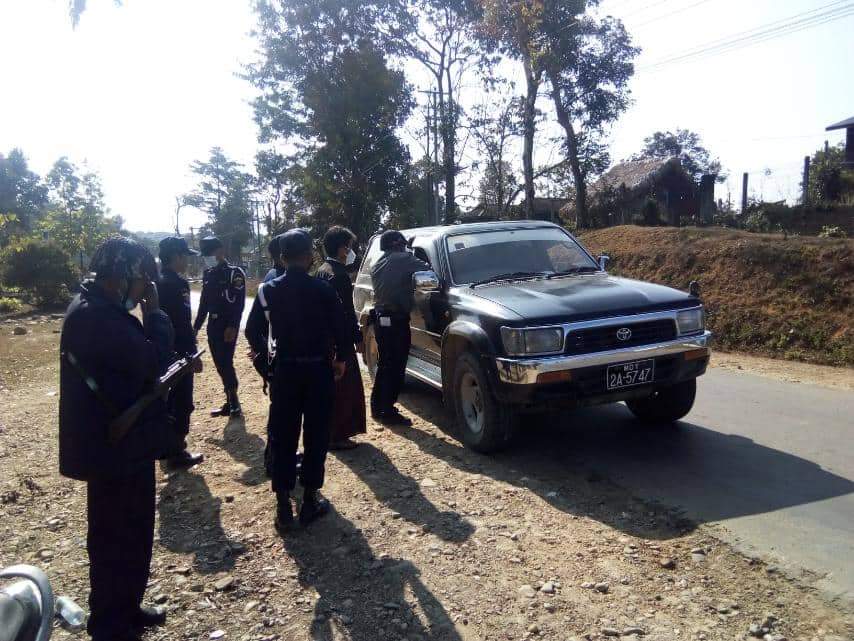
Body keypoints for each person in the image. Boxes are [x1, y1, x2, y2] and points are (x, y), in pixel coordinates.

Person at [59, 237, 183, 641]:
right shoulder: (96, 316)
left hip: (125, 444)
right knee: (115, 536)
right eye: (142, 281)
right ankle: (110, 624)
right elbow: (150, 361)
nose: (144, 290)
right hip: (112, 450)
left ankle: (126, 607)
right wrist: (156, 316)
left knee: (134, 531)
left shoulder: (100, 309)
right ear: (123, 276)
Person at [244, 229, 353, 531]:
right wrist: (340, 360)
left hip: (285, 373)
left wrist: (267, 363)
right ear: (309, 256)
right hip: (319, 372)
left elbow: (252, 331)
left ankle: (283, 507)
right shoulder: (323, 290)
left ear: (282, 257)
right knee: (316, 435)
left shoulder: (267, 290)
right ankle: (309, 501)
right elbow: (341, 330)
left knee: (283, 436)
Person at [369, 229, 430, 426]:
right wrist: (412, 253)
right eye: (403, 245)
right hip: (395, 320)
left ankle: (378, 407)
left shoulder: (378, 262)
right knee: (396, 365)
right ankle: (387, 411)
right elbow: (427, 268)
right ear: (397, 245)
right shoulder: (402, 258)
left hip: (381, 319)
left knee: (385, 364)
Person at [316, 226, 366, 450]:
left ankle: (330, 431)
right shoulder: (339, 276)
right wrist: (356, 338)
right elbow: (346, 313)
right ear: (341, 249)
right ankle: (338, 435)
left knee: (331, 388)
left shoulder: (322, 270)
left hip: (325, 339)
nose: (351, 252)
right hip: (339, 339)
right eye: (349, 247)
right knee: (344, 387)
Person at [157, 237, 205, 470]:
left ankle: (166, 447)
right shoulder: (177, 284)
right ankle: (176, 452)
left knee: (167, 401)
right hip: (180, 354)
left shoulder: (156, 283)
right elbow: (182, 324)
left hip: (162, 351)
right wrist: (192, 355)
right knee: (182, 402)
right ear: (176, 256)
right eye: (185, 256)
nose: (187, 261)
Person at [193, 236, 246, 418]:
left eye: (210, 253)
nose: (207, 257)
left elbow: (239, 303)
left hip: (227, 325)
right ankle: (229, 400)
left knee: (225, 361)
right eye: (205, 254)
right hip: (213, 324)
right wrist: (196, 327)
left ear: (220, 251)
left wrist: (233, 325)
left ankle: (234, 402)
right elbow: (203, 303)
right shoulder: (208, 274)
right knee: (219, 363)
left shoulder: (234, 273)